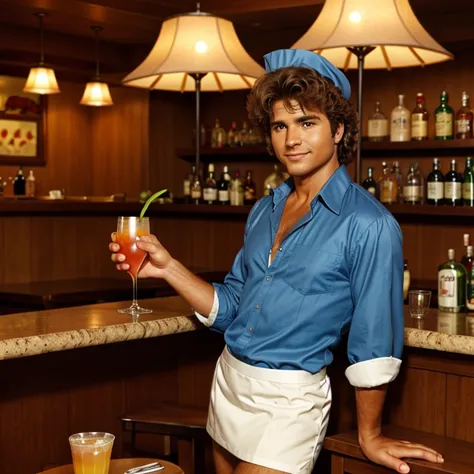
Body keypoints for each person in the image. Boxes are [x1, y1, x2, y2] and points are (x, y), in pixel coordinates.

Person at [110, 49, 444, 474]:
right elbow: (233, 304)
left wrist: (370, 434)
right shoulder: (265, 209)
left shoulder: (369, 224)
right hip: (229, 384)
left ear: (339, 129)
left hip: (290, 404)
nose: (292, 139)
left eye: (307, 123)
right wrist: (167, 267)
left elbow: (374, 337)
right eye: (279, 126)